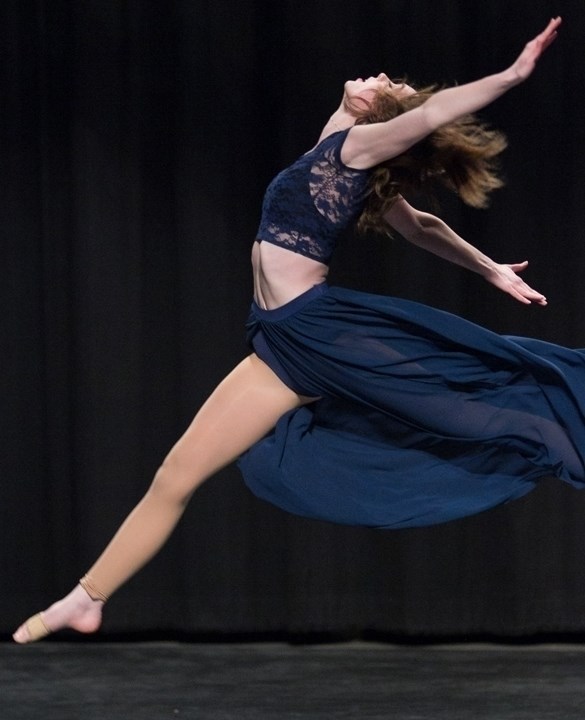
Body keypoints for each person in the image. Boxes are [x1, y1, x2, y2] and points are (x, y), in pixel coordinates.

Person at [13, 17, 568, 643]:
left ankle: (563, 428)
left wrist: (513, 75)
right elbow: (422, 228)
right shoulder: (336, 151)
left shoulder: (355, 146)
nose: (380, 75)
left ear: (378, 114)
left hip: (318, 330)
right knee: (177, 475)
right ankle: (86, 599)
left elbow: (424, 121)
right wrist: (489, 267)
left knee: (468, 399)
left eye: (389, 85)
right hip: (283, 344)